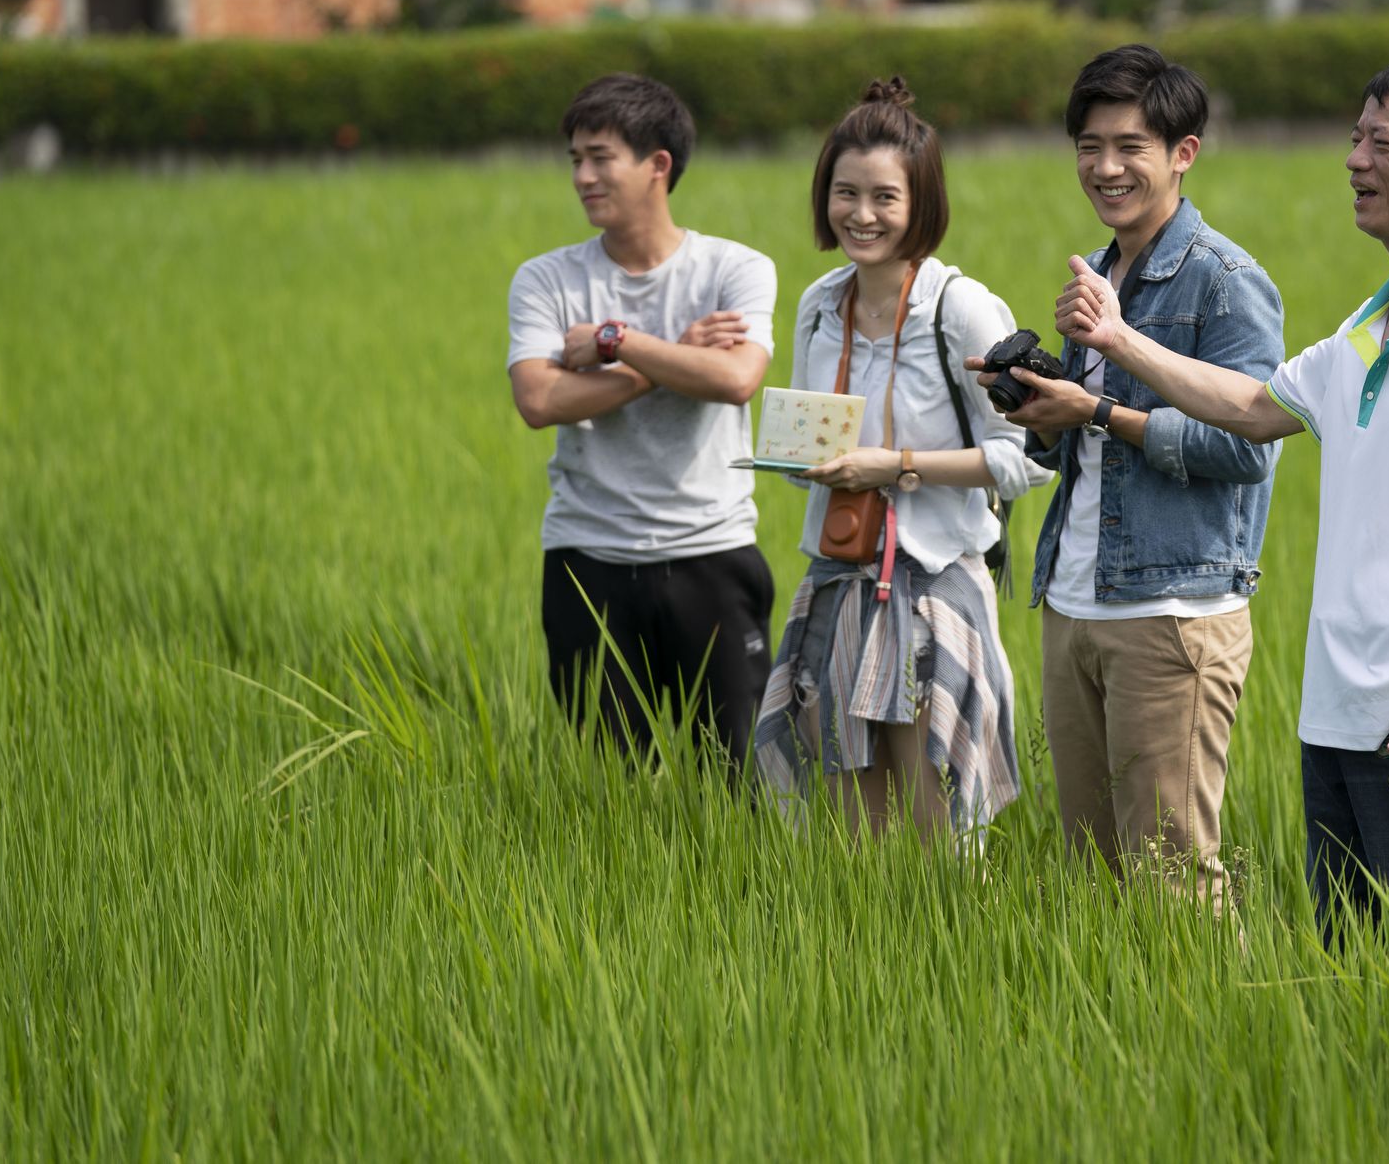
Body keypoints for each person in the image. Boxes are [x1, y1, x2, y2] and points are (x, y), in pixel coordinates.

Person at [1053, 53, 1389, 934]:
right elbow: (1251, 408)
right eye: (1355, 138)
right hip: (1335, 710)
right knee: (1355, 970)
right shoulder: (1371, 323)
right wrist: (1119, 344)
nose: (1355, 160)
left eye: (1381, 143)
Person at [969, 44, 1286, 904]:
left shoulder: (1226, 281)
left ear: (1183, 152)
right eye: (1087, 146)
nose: (1105, 167)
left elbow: (1248, 447)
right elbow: (1078, 446)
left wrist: (1101, 408)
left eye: (1129, 146)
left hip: (1172, 612)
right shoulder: (1096, 274)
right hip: (1075, 602)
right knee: (1094, 874)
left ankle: (1219, 1030)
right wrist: (1037, 406)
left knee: (1172, 876)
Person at [752, 77, 1050, 840]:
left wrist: (895, 466)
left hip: (934, 578)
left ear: (921, 202)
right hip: (839, 576)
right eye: (844, 193)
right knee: (850, 821)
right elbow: (818, 430)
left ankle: (955, 951)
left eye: (884, 197)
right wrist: (799, 459)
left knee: (938, 816)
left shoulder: (960, 308)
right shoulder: (821, 302)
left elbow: (1029, 455)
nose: (861, 214)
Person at [506, 72, 777, 768]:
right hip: (587, 558)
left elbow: (736, 378)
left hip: (711, 552)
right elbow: (538, 401)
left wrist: (613, 342)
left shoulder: (734, 269)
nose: (583, 176)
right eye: (575, 159)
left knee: (740, 778)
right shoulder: (546, 279)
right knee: (614, 785)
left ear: (659, 164)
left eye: (601, 157)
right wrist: (672, 356)